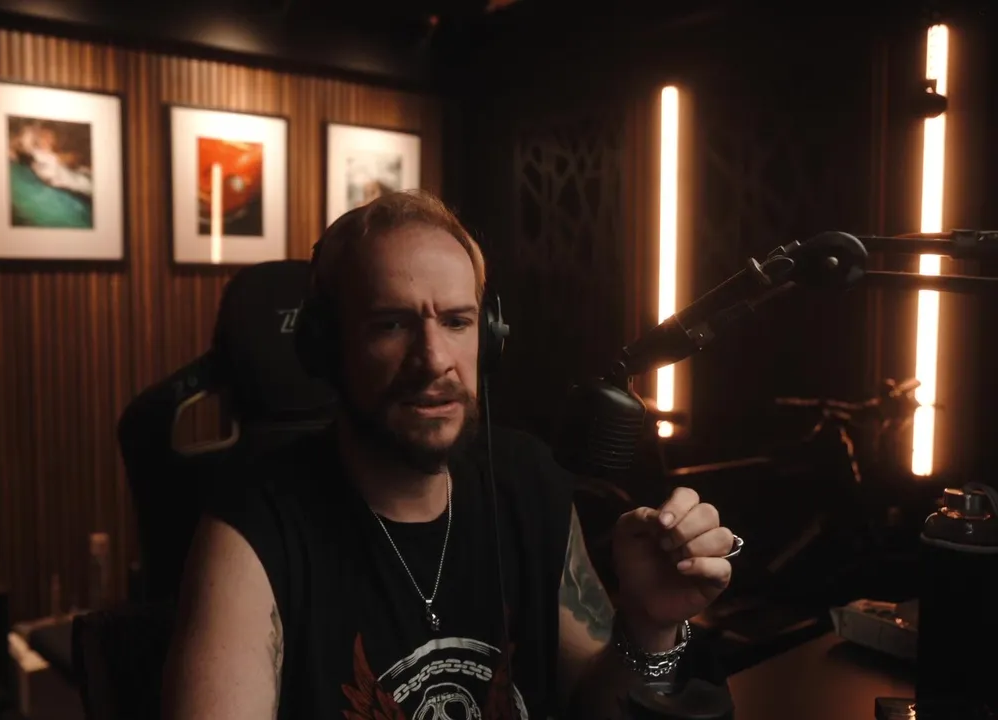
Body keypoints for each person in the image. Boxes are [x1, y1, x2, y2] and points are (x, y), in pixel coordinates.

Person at [161, 190, 741, 719]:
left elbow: (594, 704)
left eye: (457, 322)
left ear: (487, 338)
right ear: (327, 348)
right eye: (391, 324)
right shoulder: (254, 529)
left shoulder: (529, 481)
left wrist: (648, 626)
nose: (434, 358)